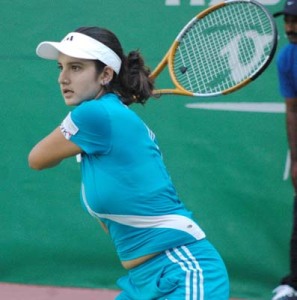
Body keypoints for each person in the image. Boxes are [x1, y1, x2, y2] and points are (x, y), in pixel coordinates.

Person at [28, 26, 229, 299]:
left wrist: (75, 134)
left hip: (182, 269)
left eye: (76, 68)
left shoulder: (93, 115)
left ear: (106, 74)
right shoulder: (103, 121)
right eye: (60, 68)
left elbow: (37, 159)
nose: (63, 78)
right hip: (143, 281)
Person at [272, 1, 297, 299]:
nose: (290, 27)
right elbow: (292, 110)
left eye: (296, 21)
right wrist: (296, 159)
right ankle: (293, 283)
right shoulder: (288, 57)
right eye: (288, 21)